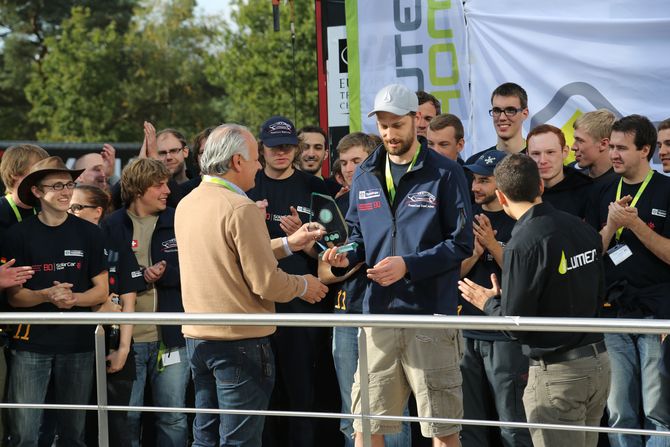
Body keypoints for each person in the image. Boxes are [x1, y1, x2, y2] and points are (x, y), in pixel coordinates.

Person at [323, 83, 473, 447]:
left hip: (428, 318)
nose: (390, 133)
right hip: (378, 316)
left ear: (416, 122)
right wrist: (348, 253)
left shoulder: (446, 173)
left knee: (442, 430)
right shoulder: (364, 174)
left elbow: (461, 244)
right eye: (384, 125)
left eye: (397, 124)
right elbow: (359, 233)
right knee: (366, 424)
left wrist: (409, 265)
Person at [174, 123, 328, 447]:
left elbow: (228, 254)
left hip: (198, 338)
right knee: (239, 440)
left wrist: (288, 243)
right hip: (239, 341)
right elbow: (265, 281)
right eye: (256, 158)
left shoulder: (188, 202)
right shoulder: (240, 207)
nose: (260, 165)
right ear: (237, 162)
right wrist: (304, 285)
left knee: (206, 435)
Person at [459, 153, 610, 447]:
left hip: (559, 374)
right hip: (598, 363)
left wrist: (487, 302)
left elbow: (516, 324)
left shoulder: (523, 241)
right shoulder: (582, 228)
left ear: (501, 197)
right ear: (540, 186)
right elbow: (597, 292)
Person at [3, 156, 108, 447]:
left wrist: (73, 299)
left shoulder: (90, 233)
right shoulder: (17, 236)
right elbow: (16, 297)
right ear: (37, 192)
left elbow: (101, 291)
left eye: (69, 184)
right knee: (24, 433)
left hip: (79, 345)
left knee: (73, 434)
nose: (65, 192)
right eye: (57, 185)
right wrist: (45, 295)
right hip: (30, 347)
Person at [319, 132, 411, 447]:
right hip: (344, 315)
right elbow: (324, 270)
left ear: (373, 160)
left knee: (391, 413)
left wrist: (359, 254)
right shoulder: (337, 203)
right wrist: (346, 259)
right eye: (343, 162)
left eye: (356, 161)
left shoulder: (396, 197)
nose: (348, 168)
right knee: (351, 414)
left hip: (386, 312)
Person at [247, 116, 332, 447]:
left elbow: (334, 251)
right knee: (262, 393)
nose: (280, 153)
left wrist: (306, 241)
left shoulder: (315, 187)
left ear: (294, 149)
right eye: (273, 147)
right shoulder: (248, 185)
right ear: (262, 148)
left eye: (286, 147)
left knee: (302, 392)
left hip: (304, 301)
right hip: (259, 302)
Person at [585, 114, 670, 446]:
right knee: (618, 409)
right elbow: (589, 255)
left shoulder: (666, 190)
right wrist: (610, 225)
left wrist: (634, 226)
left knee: (658, 411)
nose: (614, 155)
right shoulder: (602, 190)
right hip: (612, 312)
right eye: (612, 147)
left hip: (657, 314)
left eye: (622, 148)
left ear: (645, 150)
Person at [102, 158, 189, 447]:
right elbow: (103, 277)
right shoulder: (111, 225)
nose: (167, 190)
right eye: (159, 185)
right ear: (139, 189)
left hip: (172, 337)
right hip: (127, 340)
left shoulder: (178, 220)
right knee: (127, 418)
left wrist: (163, 275)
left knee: (173, 417)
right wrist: (140, 276)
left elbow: (195, 268)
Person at [459, 150, 531, 447]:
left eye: (484, 181)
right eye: (474, 180)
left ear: (501, 184)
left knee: (512, 424)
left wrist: (491, 244)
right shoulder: (463, 216)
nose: (476, 187)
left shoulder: (522, 219)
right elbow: (450, 273)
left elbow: (525, 274)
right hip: (464, 330)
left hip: (505, 333)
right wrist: (475, 252)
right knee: (469, 424)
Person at [70, 184, 144, 447]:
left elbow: (129, 301)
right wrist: (98, 306)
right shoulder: (63, 244)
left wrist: (124, 350)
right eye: (68, 206)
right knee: (75, 428)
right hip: (71, 350)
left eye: (77, 207)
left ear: (97, 212)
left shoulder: (116, 244)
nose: (71, 211)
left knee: (115, 429)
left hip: (113, 348)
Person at [527, 124, 592, 218]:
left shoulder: (587, 192)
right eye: (536, 154)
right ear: (527, 155)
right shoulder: (519, 191)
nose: (542, 161)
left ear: (564, 152)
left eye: (550, 152)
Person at [465, 82, 529, 164]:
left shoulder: (538, 160)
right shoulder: (475, 163)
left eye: (510, 110)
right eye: (497, 111)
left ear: (525, 114)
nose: (502, 118)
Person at [0, 144, 49, 239]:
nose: (44, 176)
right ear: (14, 174)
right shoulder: (2, 210)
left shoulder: (46, 211)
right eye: (38, 170)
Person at [572, 109, 617, 183]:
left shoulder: (621, 185)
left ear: (603, 144)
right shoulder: (571, 173)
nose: (573, 147)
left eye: (580, 140)